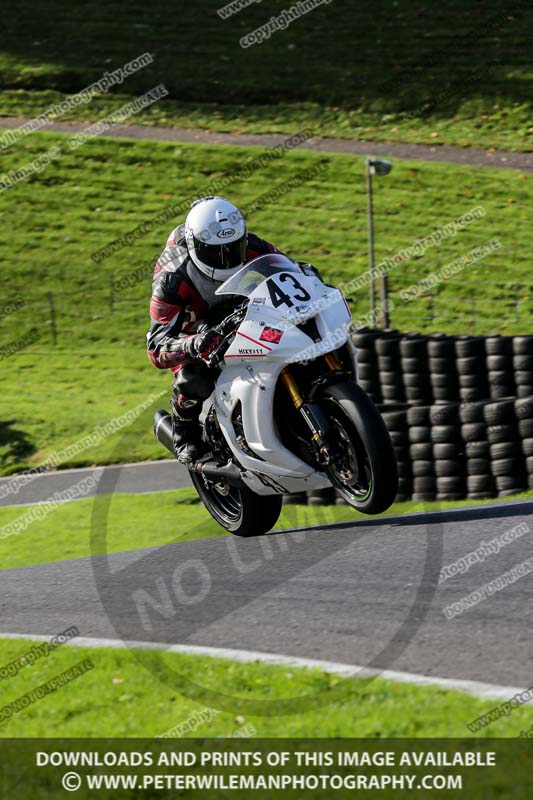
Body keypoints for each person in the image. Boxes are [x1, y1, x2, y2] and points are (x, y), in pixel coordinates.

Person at [146, 195, 283, 464]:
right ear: (197, 246)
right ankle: (184, 433)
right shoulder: (171, 278)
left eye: (233, 249)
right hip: (195, 325)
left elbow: (286, 267)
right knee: (194, 378)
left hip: (240, 304)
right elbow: (155, 347)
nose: (226, 259)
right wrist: (192, 343)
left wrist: (310, 277)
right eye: (215, 252)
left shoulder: (249, 244)